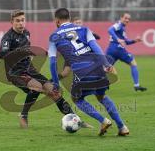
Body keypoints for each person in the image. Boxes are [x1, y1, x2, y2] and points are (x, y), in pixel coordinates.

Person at [48, 8, 129, 136]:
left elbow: (52, 62)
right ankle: (122, 127)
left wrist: (56, 84)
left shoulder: (54, 37)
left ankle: (103, 121)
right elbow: (96, 48)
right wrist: (107, 64)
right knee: (101, 96)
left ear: (57, 21)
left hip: (81, 71)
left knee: (77, 99)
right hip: (97, 68)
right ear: (69, 18)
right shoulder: (85, 29)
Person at [0, 10, 77, 129]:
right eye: (17, 21)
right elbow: (2, 54)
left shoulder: (27, 33)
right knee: (36, 88)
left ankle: (74, 117)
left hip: (30, 69)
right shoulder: (8, 37)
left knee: (54, 91)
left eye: (23, 20)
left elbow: (28, 49)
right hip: (15, 73)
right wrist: (20, 52)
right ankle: (23, 115)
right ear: (12, 22)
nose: (21, 23)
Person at [106, 13, 147, 92]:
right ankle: (136, 85)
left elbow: (126, 42)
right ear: (121, 18)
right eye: (125, 18)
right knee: (133, 63)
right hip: (118, 49)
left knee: (107, 68)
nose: (127, 20)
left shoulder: (122, 28)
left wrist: (135, 40)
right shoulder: (119, 25)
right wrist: (118, 39)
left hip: (111, 49)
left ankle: (98, 85)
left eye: (128, 19)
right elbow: (110, 30)